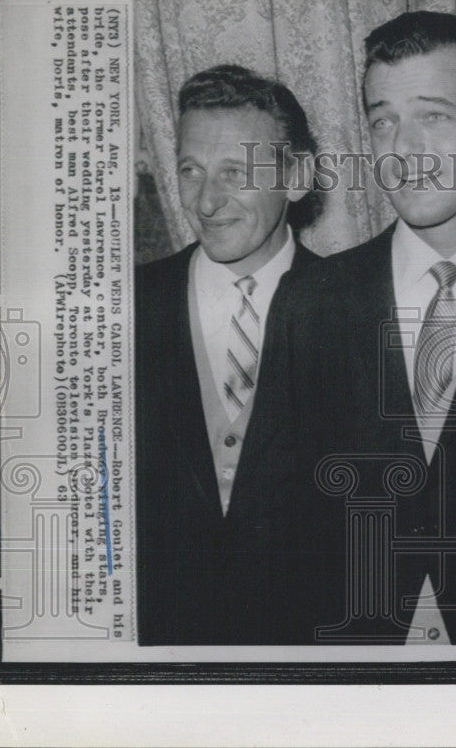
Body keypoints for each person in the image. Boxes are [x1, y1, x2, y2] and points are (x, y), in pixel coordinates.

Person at [236, 11, 456, 644]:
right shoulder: (310, 300)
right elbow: (267, 529)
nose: (404, 148)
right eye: (383, 120)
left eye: (434, 115)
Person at [135, 64, 321, 644]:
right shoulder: (122, 309)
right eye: (191, 170)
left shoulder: (354, 308)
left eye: (235, 173)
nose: (207, 201)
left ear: (298, 177)